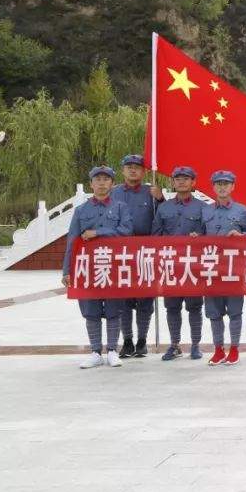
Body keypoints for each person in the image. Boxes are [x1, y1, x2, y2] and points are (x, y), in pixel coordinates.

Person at [62, 166, 132, 369]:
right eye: (97, 179)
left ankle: (112, 350)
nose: (102, 183)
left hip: (114, 265)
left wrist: (98, 232)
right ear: (91, 184)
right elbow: (72, 242)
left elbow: (126, 231)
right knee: (91, 310)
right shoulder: (81, 210)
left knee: (113, 309)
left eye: (106, 179)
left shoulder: (120, 208)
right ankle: (95, 351)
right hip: (89, 268)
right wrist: (67, 270)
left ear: (112, 183)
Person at [110, 154, 164, 358]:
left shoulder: (151, 192)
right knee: (123, 299)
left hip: (145, 252)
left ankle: (142, 340)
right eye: (129, 167)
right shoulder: (113, 193)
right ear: (123, 170)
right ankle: (127, 341)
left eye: (138, 167)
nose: (133, 170)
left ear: (143, 171)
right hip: (120, 252)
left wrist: (160, 198)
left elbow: (163, 217)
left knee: (145, 299)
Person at [152, 166, 207, 361]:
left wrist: (199, 237)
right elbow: (155, 236)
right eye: (177, 179)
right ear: (172, 182)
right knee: (172, 307)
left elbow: (210, 237)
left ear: (193, 182)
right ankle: (174, 345)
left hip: (193, 265)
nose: (181, 182)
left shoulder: (203, 208)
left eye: (186, 178)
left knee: (194, 307)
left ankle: (195, 344)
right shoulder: (164, 208)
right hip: (171, 266)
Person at [202, 170, 246, 366]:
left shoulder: (242, 210)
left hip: (234, 268)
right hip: (211, 268)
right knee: (214, 313)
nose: (222, 187)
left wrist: (242, 237)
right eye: (218, 184)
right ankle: (218, 350)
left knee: (234, 311)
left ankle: (234, 349)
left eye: (226, 183)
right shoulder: (205, 210)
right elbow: (199, 237)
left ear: (233, 186)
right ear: (213, 187)